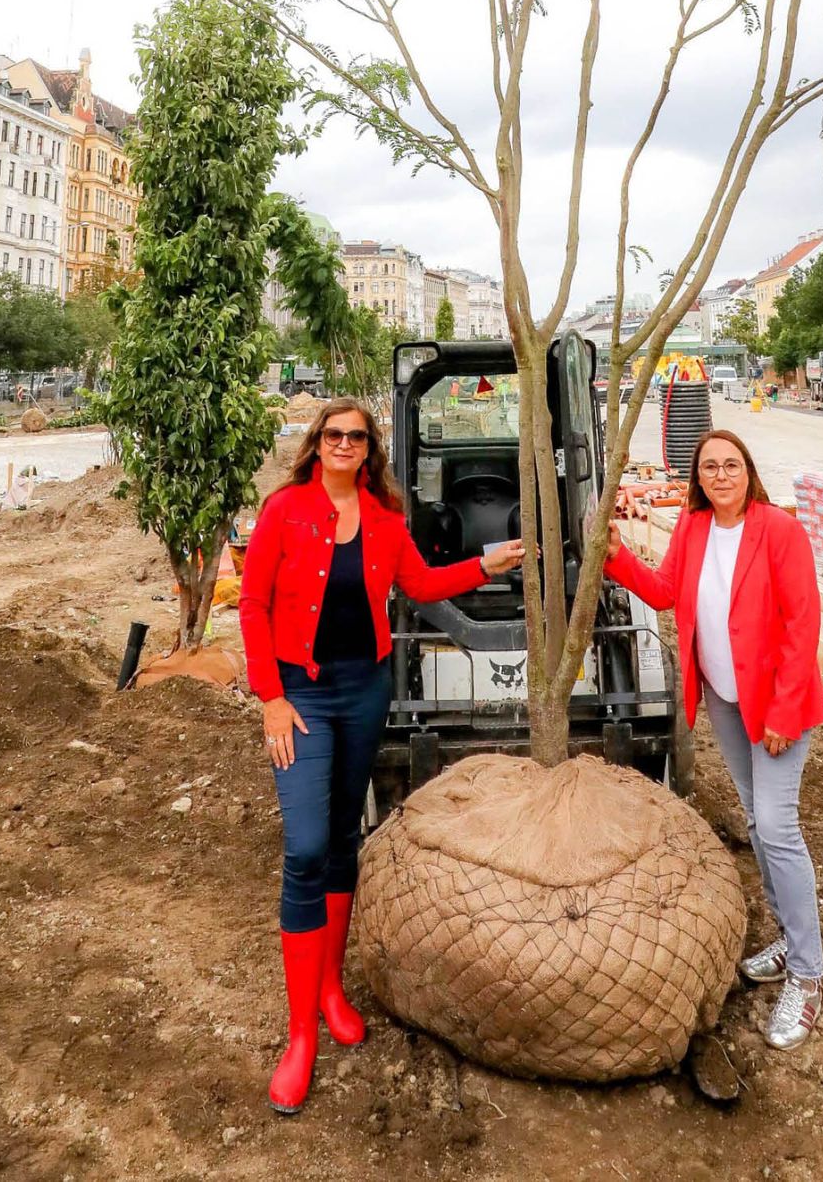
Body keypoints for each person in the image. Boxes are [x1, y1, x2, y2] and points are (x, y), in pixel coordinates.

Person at [237, 399, 524, 1115]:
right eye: (333, 435)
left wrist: (485, 564)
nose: (343, 445)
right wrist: (270, 697)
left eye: (355, 438)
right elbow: (251, 603)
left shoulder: (387, 523)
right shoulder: (284, 509)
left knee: (341, 839)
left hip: (364, 691)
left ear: (369, 451)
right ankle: (300, 1035)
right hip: (299, 696)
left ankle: (331, 988)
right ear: (317, 444)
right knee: (303, 848)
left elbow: (421, 586)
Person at [601, 426, 823, 1049]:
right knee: (759, 825)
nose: (721, 476)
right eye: (709, 468)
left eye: (731, 465)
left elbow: (801, 626)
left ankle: (810, 975)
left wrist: (784, 715)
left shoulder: (779, 531)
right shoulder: (695, 529)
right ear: (698, 479)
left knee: (779, 827)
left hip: (774, 706)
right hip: (728, 703)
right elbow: (665, 592)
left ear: (748, 471)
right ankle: (790, 939)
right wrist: (616, 556)